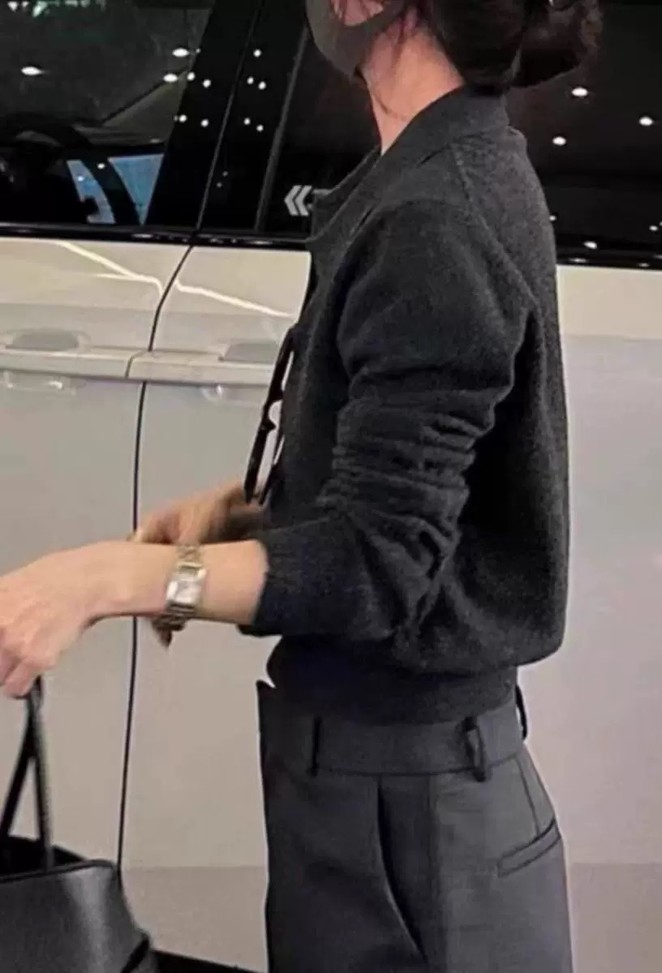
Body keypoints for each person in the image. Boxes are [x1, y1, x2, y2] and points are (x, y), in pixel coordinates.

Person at [0, 0, 601, 969]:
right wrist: (255, 523)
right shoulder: (438, 174)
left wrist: (104, 581)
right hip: (384, 794)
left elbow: (373, 566)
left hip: (412, 827)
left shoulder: (437, 216)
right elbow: (402, 518)